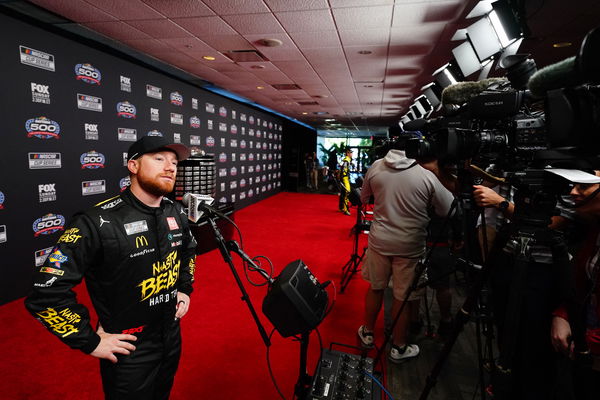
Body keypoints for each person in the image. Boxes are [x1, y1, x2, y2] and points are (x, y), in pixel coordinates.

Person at [25, 135, 197, 399]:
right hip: (128, 350)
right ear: (133, 166)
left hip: (171, 336)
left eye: (174, 162)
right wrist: (90, 341)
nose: (170, 167)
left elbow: (188, 251)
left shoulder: (174, 212)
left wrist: (184, 287)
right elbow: (46, 294)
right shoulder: (95, 221)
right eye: (159, 158)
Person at [357, 145, 454, 363]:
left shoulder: (376, 166)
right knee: (403, 296)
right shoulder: (426, 174)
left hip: (380, 241)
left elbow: (364, 198)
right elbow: (448, 208)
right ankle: (399, 347)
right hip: (410, 246)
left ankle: (368, 334)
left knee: (376, 287)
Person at [551, 177, 600, 400]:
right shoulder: (595, 229)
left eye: (584, 186)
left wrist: (589, 342)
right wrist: (563, 314)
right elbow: (582, 279)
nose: (572, 192)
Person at [338, 148, 353, 216]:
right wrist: (344, 179)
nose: (351, 154)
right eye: (350, 152)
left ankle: (341, 207)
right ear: (347, 153)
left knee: (343, 193)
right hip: (345, 179)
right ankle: (346, 209)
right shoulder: (346, 160)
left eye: (351, 152)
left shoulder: (346, 160)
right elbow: (344, 171)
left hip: (345, 178)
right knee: (347, 193)